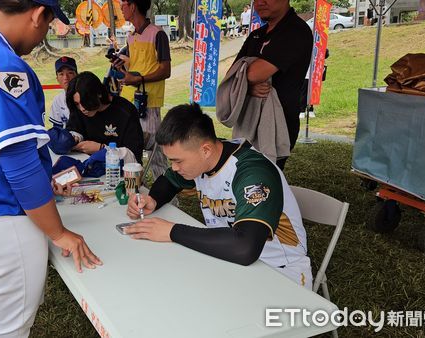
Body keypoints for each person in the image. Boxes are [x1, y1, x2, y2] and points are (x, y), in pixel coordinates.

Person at [0, 0, 101, 335]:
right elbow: (20, 168)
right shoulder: (0, 63)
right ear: (38, 14)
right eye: (47, 24)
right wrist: (59, 233)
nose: (41, 36)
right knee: (4, 331)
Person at [125, 103, 312, 288]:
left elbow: (246, 248)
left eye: (178, 161)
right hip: (225, 257)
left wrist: (171, 231)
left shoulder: (253, 173)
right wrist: (153, 199)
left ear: (205, 150)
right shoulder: (205, 159)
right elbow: (169, 181)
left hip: (279, 269)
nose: (174, 167)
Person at [232, 0, 313, 170]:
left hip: (278, 123)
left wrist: (243, 78)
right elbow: (231, 75)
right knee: (244, 173)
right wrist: (247, 86)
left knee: (264, 181)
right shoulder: (257, 35)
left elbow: (255, 73)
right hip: (248, 120)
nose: (260, 2)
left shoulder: (295, 31)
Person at [115, 0, 170, 179]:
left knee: (156, 153)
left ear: (133, 6)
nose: (121, 8)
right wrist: (121, 66)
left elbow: (165, 69)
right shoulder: (131, 36)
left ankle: (168, 198)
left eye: (123, 4)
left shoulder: (158, 34)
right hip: (129, 102)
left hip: (149, 102)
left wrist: (138, 79)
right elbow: (135, 65)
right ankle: (134, 190)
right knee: (131, 149)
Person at [66, 71, 144, 163]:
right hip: (86, 168)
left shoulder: (125, 112)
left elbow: (134, 157)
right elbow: (72, 130)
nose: (82, 108)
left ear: (99, 93)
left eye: (86, 102)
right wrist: (73, 138)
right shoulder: (78, 110)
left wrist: (102, 149)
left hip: (118, 171)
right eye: (77, 104)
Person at [49, 56, 77, 128]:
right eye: (61, 74)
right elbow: (57, 128)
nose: (66, 77)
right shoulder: (58, 100)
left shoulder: (85, 95)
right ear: (57, 79)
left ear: (76, 75)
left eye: (70, 73)